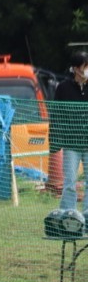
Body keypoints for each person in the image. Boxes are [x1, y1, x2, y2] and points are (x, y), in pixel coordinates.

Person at [52, 50, 88, 213]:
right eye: (84, 66)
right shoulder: (63, 88)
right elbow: (56, 115)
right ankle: (68, 214)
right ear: (75, 68)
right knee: (70, 181)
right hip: (71, 144)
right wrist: (54, 142)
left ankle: (87, 215)